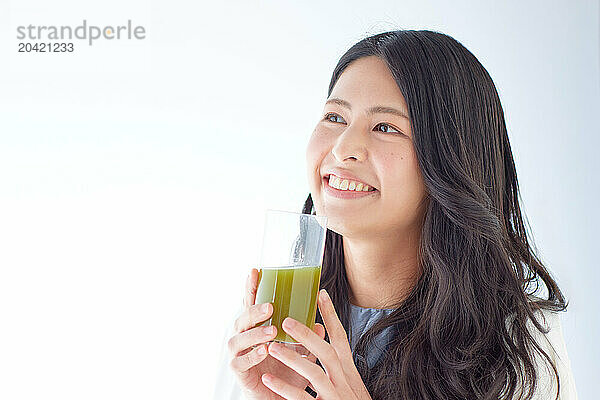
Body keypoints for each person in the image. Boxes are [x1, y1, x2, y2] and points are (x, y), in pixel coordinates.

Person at [212, 29, 578, 400]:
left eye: (385, 127)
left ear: (449, 161)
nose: (343, 148)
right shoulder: (265, 333)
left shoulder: (519, 344)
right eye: (335, 117)